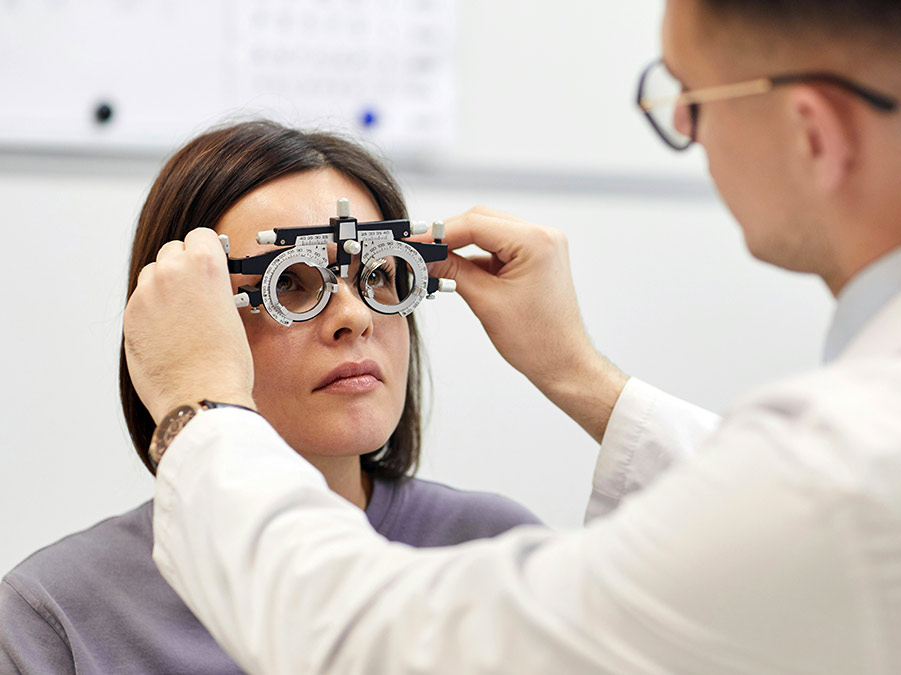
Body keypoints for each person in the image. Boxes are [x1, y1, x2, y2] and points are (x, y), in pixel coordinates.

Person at [125, 0, 901, 673]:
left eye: (688, 100)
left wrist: (201, 412)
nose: (686, 131)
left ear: (813, 131)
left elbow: (371, 645)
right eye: (305, 282)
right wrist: (582, 376)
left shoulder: (857, 480)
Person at [0, 120, 540, 674]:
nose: (354, 317)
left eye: (380, 274)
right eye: (288, 283)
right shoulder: (60, 614)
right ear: (177, 318)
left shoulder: (495, 548)